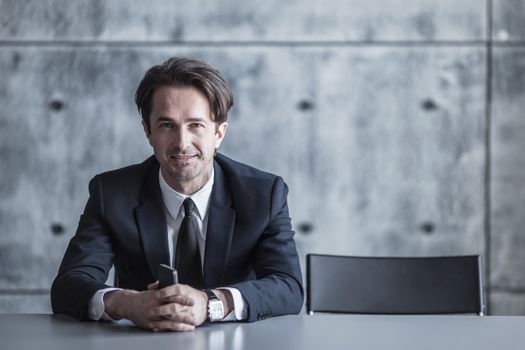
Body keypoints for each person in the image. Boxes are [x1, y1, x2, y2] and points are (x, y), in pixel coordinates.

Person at [51, 57, 303, 331]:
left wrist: (212, 303)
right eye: (167, 125)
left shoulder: (264, 194)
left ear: (219, 133)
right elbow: (69, 285)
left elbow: (287, 286)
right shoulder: (110, 194)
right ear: (148, 131)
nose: (182, 143)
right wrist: (127, 303)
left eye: (195, 125)